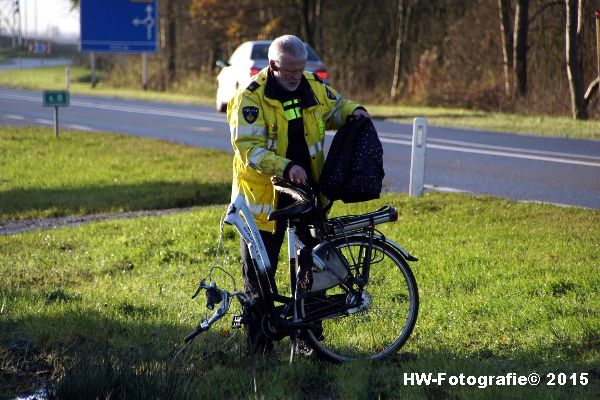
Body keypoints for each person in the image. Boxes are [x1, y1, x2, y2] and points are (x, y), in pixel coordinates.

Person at [227, 34, 370, 355]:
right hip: (263, 201)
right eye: (289, 71)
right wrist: (287, 165)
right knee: (260, 276)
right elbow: (248, 149)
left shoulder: (312, 86)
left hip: (307, 196)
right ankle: (259, 348)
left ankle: (309, 341)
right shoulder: (250, 98)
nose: (296, 77)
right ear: (273, 65)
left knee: (313, 268)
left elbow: (337, 106)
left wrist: (355, 111)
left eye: (300, 70)